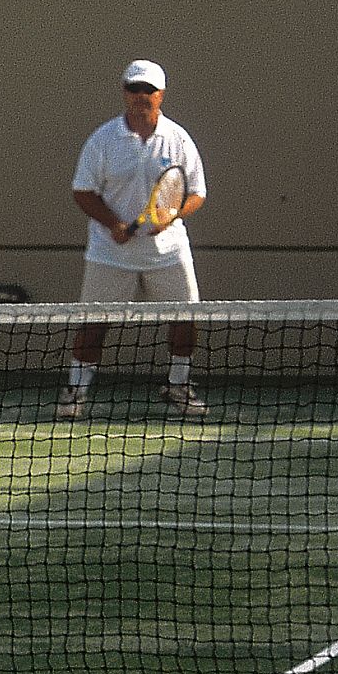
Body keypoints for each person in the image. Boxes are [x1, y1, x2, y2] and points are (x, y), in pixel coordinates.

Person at [56, 59, 211, 419]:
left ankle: (178, 387)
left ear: (161, 95)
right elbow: (83, 191)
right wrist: (113, 224)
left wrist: (170, 216)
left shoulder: (178, 140)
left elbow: (196, 193)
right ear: (124, 93)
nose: (141, 96)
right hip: (109, 253)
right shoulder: (103, 140)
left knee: (186, 319)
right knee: (94, 324)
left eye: (148, 90)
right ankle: (75, 392)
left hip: (168, 251)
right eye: (134, 89)